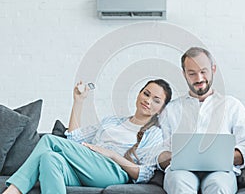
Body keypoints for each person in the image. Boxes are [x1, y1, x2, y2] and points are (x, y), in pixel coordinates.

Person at [3, 79, 172, 194]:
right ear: (139, 94)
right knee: (49, 158)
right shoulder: (111, 121)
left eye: (156, 100)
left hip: (113, 172)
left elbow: (145, 173)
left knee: (49, 140)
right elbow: (74, 139)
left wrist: (111, 155)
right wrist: (78, 101)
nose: (148, 101)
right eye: (146, 94)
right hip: (88, 167)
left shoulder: (154, 133)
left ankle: (14, 190)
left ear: (161, 109)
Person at [157, 47, 245, 194]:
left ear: (213, 69)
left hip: (220, 171)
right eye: (192, 73)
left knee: (218, 186)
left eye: (203, 71)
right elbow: (159, 150)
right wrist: (179, 157)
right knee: (178, 183)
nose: (199, 78)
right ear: (184, 74)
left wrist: (218, 157)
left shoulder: (232, 105)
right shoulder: (171, 110)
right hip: (181, 171)